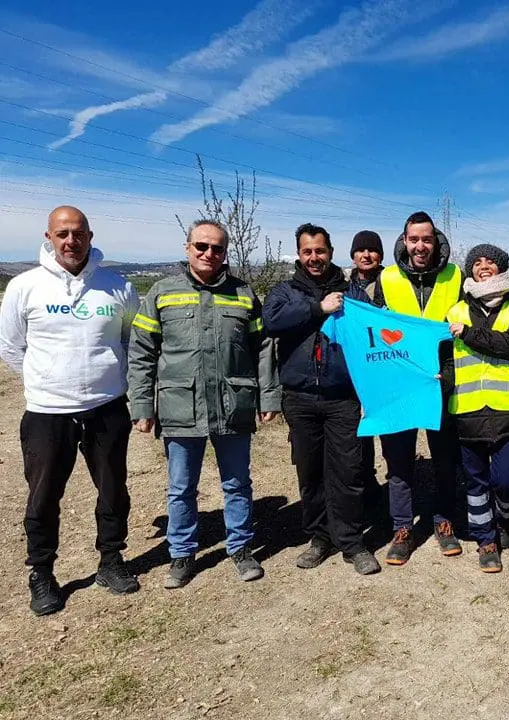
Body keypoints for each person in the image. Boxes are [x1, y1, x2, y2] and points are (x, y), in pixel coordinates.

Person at [0, 206, 141, 615]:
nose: (70, 241)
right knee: (43, 495)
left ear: (90, 236)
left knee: (113, 489)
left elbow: (131, 339)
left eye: (78, 233)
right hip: (48, 411)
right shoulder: (25, 287)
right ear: (48, 236)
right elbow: (11, 346)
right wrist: (47, 382)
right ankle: (42, 572)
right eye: (62, 234)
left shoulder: (117, 287)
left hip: (106, 407)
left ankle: (111, 561)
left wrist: (114, 379)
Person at [127, 220, 281, 588]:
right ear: (187, 247)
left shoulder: (243, 294)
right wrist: (142, 405)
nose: (208, 253)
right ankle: (181, 554)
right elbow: (142, 352)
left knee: (237, 482)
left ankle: (241, 549)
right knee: (181, 487)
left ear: (225, 252)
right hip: (181, 407)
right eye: (201, 246)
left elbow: (264, 350)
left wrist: (269, 395)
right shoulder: (163, 293)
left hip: (234, 405)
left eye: (216, 248)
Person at [262, 224, 380, 576]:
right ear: (299, 254)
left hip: (342, 397)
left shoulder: (352, 293)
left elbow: (376, 335)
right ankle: (319, 537)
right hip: (299, 397)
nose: (314, 258)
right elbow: (271, 321)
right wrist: (318, 308)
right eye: (307, 252)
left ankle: (352, 541)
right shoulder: (284, 292)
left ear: (331, 252)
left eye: (320, 251)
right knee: (310, 473)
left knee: (348, 471)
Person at [373, 211, 463, 565]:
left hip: (443, 379)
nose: (420, 246)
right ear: (405, 240)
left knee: (445, 459)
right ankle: (402, 528)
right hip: (401, 383)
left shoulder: (456, 275)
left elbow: (466, 322)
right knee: (398, 460)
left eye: (427, 239)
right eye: (414, 239)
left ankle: (444, 521)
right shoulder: (388, 277)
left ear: (436, 241)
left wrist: (452, 373)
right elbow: (378, 331)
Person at [447, 244, 509, 572]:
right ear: (469, 270)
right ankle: (485, 539)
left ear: (502, 268)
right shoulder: (454, 310)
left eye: (491, 262)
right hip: (468, 409)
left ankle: (508, 519)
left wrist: (468, 334)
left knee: (508, 478)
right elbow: (445, 358)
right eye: (477, 263)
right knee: (475, 481)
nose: (484, 267)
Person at [346, 230, 385, 506]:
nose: (366, 255)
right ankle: (366, 481)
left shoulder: (391, 283)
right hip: (351, 367)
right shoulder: (342, 285)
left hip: (383, 366)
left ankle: (397, 482)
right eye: (361, 250)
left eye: (372, 250)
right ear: (353, 255)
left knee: (386, 425)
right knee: (358, 429)